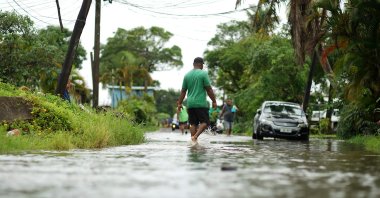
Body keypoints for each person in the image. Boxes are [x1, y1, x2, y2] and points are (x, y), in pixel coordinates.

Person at [177, 57, 217, 145]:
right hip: (200, 103)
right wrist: (214, 101)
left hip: (190, 104)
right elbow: (209, 89)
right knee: (205, 122)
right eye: (202, 65)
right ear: (200, 64)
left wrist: (179, 103)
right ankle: (195, 137)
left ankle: (193, 141)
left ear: (193, 64)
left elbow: (183, 91)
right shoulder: (203, 74)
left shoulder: (187, 75)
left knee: (193, 123)